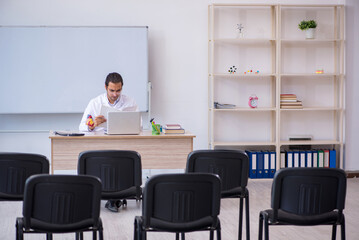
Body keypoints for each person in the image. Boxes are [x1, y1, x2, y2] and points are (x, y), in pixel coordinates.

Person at [79, 72, 138, 212]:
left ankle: (116, 196)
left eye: (118, 90)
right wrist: (92, 124)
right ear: (105, 87)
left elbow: (138, 125)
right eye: (112, 90)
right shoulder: (95, 102)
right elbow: (82, 126)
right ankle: (112, 196)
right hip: (101, 145)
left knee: (122, 159)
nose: (115, 94)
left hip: (123, 144)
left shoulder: (130, 102)